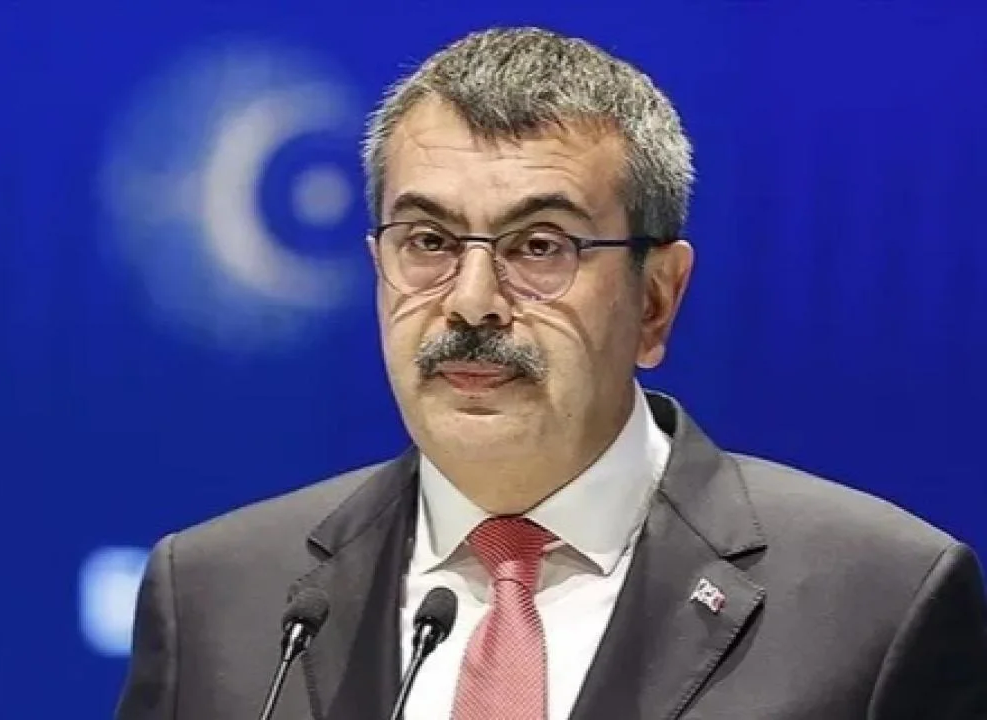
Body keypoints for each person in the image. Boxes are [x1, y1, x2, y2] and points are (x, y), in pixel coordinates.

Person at [114, 26, 987, 720]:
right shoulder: (218, 594)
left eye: (540, 246)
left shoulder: (879, 601)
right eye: (428, 241)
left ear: (655, 300)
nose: (472, 302)